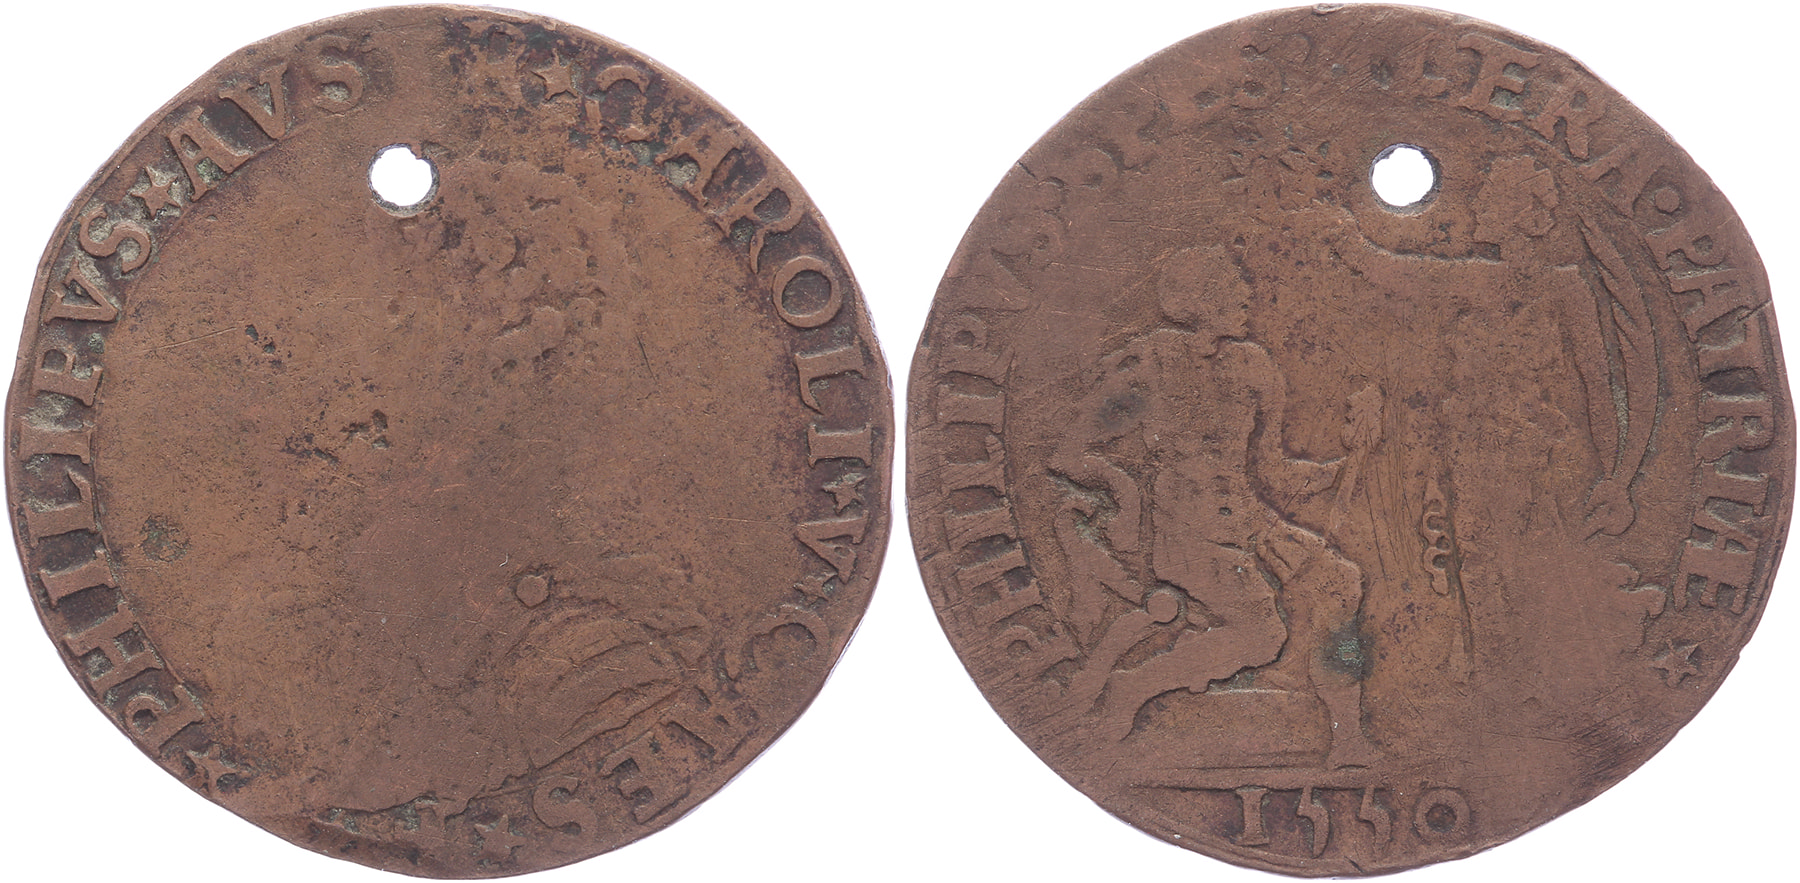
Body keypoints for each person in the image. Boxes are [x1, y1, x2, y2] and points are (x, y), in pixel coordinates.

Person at [1051, 244, 1381, 768]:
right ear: (1199, 298)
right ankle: (1133, 689)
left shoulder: (1254, 368)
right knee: (1263, 635)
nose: (1246, 294)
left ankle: (1348, 740)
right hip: (1187, 537)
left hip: (1251, 523)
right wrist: (1124, 493)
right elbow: (1070, 453)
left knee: (1341, 583)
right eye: (1232, 285)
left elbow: (1272, 472)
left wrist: (1342, 467)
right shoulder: (1150, 365)